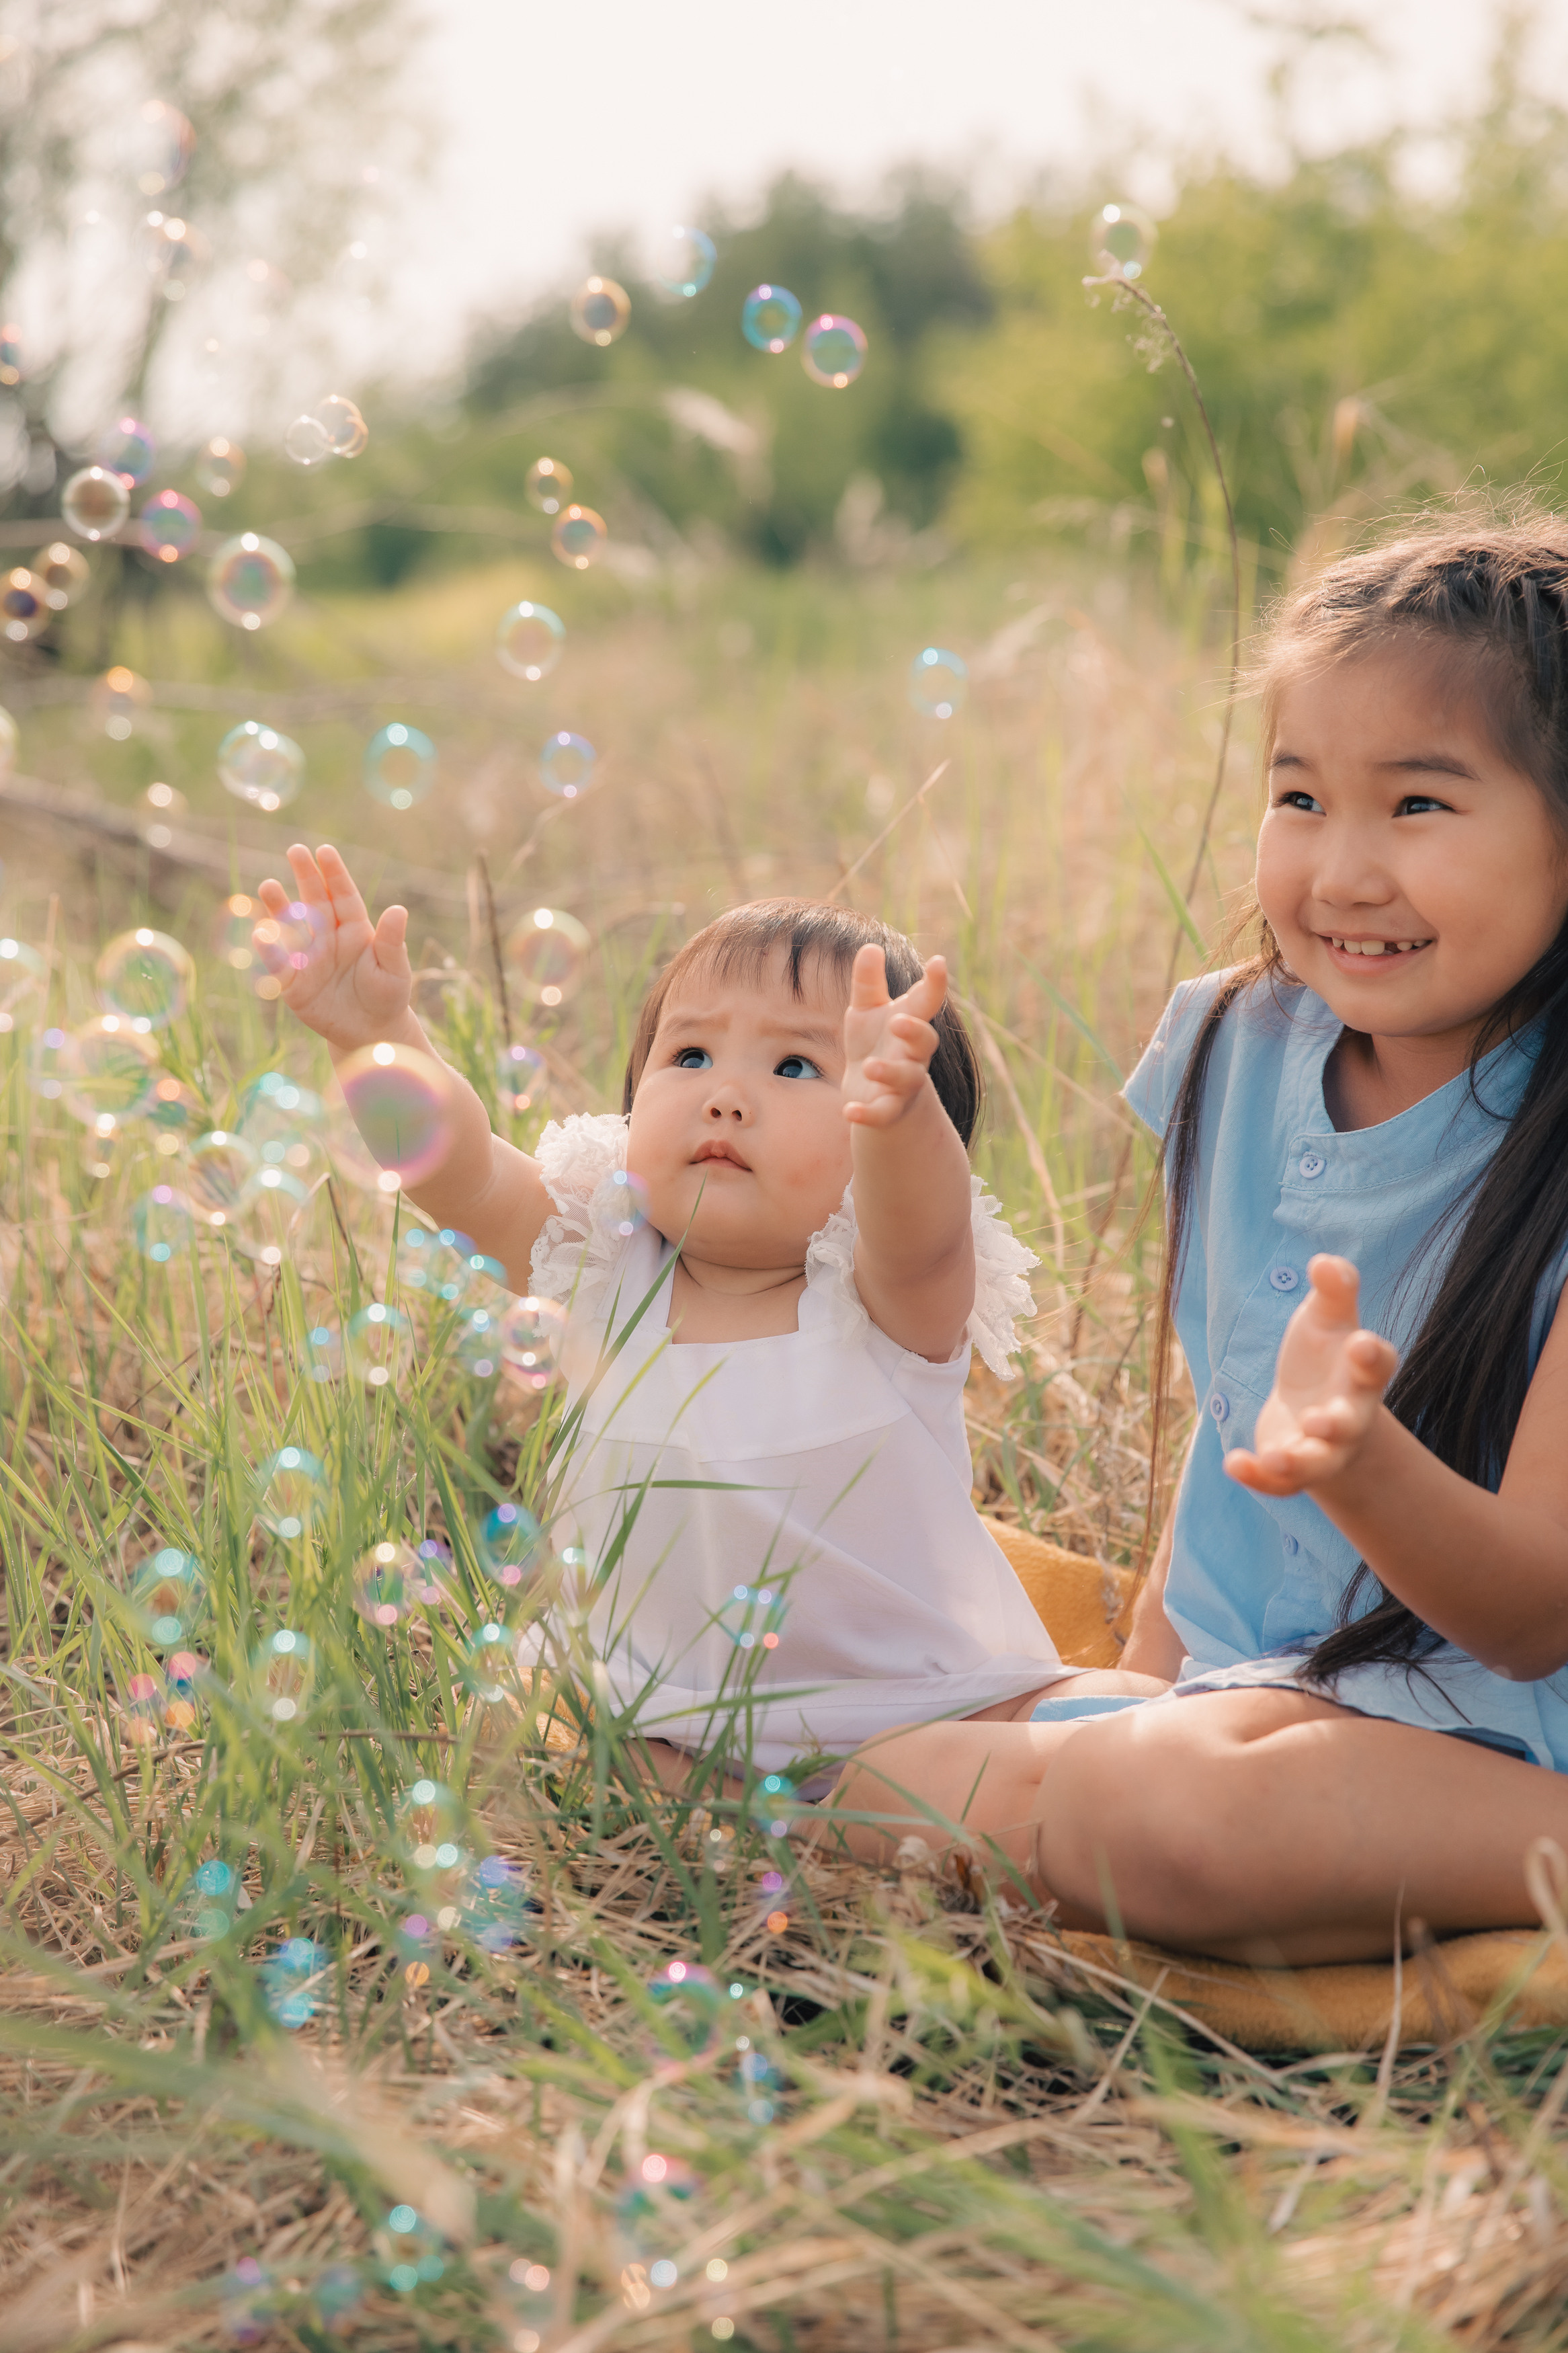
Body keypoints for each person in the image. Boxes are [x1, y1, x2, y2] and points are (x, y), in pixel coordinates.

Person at [835, 510, 1568, 1962]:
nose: (1342, 870)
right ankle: (1163, 1821)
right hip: (1257, 1699)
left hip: (1498, 1737)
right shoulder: (1237, 1045)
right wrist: (1148, 1680)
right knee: (858, 1733)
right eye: (1300, 796)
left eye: (1419, 806)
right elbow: (1226, 1410)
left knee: (1188, 1818)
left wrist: (1366, 1468)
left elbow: (1535, 1613)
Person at [253, 861, 1155, 1780]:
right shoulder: (608, 1264)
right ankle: (779, 1822)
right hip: (655, 1707)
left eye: (796, 1065)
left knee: (1103, 1737)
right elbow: (464, 1172)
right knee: (551, 1740)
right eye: (689, 1057)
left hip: (906, 1709)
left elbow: (919, 1229)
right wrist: (374, 1039)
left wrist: (899, 1116)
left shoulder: (879, 1296)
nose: (725, 1094)